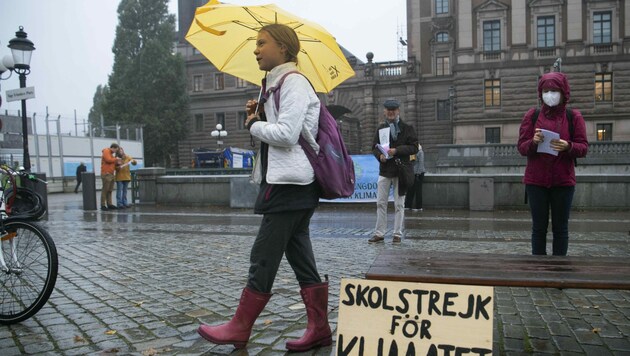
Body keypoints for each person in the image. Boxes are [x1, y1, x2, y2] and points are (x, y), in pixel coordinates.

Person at [197, 24, 331, 352]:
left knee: (263, 256)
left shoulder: (294, 83)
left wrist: (256, 124)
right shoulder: (274, 86)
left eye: (261, 43)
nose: (255, 50)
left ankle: (240, 327)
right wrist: (257, 115)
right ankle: (320, 329)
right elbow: (282, 130)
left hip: (290, 184)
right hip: (290, 184)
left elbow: (286, 134)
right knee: (300, 257)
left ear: (283, 48)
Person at [517, 72, 588, 256]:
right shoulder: (532, 115)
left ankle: (559, 271)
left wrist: (568, 146)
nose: (550, 94)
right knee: (538, 229)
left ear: (564, 92)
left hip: (563, 182)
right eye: (546, 90)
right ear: (540, 93)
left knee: (561, 229)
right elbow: (522, 147)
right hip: (536, 182)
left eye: (554, 90)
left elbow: (583, 147)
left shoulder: (574, 117)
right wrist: (533, 142)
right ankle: (539, 270)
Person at [368, 99, 419, 244]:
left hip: (401, 170)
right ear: (385, 112)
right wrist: (380, 156)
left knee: (399, 204)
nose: (391, 113)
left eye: (393, 110)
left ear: (398, 111)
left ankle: (397, 234)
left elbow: (414, 147)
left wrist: (396, 150)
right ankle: (379, 233)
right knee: (380, 203)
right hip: (385, 170)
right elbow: (374, 147)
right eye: (388, 110)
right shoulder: (380, 129)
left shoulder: (408, 128)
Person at [405, 144, 426, 212]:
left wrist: (418, 174)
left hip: (419, 174)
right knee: (410, 190)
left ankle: (419, 207)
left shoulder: (420, 152)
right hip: (413, 173)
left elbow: (421, 163)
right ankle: (408, 205)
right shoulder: (412, 153)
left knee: (418, 191)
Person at [100, 143, 119, 210]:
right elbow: (108, 160)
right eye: (116, 150)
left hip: (111, 174)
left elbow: (112, 162)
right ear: (113, 148)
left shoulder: (111, 155)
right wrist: (116, 159)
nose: (116, 152)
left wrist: (117, 163)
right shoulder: (106, 151)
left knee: (110, 190)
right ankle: (103, 205)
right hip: (106, 173)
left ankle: (109, 204)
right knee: (105, 190)